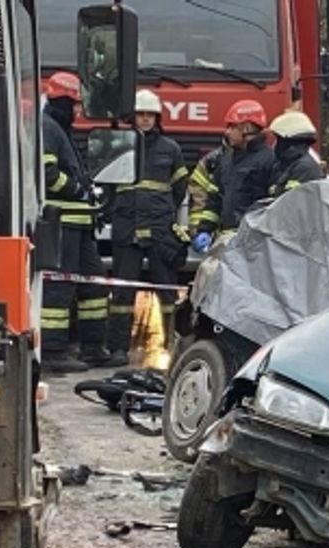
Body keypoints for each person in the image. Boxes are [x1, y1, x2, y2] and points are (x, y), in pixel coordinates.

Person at [103, 89, 190, 366]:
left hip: (159, 230)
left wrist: (161, 213)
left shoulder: (170, 149)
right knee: (122, 293)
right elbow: (107, 185)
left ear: (157, 117)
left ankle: (171, 347)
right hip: (127, 228)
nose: (145, 119)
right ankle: (118, 349)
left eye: (149, 114)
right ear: (133, 117)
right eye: (140, 114)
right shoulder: (119, 145)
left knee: (166, 292)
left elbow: (180, 189)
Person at [40, 72, 109, 373]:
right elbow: (48, 174)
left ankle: (93, 347)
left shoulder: (61, 129)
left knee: (93, 283)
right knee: (60, 287)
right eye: (75, 105)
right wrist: (77, 190)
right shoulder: (48, 129)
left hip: (79, 223)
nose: (78, 112)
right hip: (62, 223)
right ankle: (53, 350)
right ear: (63, 101)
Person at [187, 99, 275, 253]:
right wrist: (205, 229)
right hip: (226, 243)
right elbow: (214, 200)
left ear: (247, 128)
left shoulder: (269, 161)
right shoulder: (226, 159)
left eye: (232, 126)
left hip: (256, 246)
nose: (227, 132)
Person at [267, 111, 324, 197]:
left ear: (290, 142)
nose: (275, 144)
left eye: (279, 140)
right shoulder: (282, 166)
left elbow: (290, 203)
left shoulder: (305, 168)